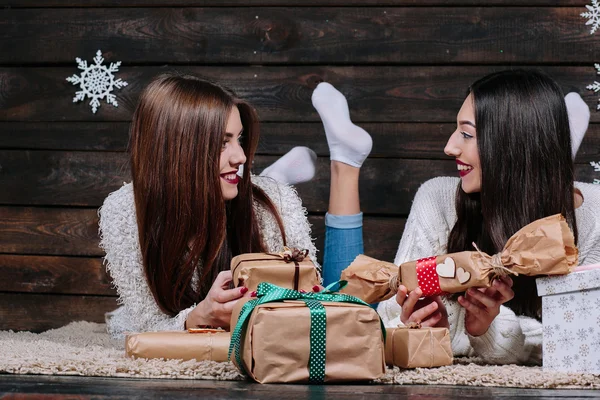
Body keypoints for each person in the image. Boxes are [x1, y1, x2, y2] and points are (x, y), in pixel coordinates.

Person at [319, 70, 600, 365]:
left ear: (512, 145)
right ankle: (345, 164)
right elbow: (387, 320)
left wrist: (491, 327)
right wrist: (433, 326)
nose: (449, 147)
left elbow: (580, 342)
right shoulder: (437, 199)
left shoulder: (592, 217)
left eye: (466, 134)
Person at [99, 73, 318, 338]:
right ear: (177, 150)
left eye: (240, 138)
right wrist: (198, 316)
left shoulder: (279, 203)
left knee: (265, 196)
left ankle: (270, 179)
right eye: (222, 142)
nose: (241, 156)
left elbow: (312, 304)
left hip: (256, 201)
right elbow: (149, 325)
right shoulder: (123, 212)